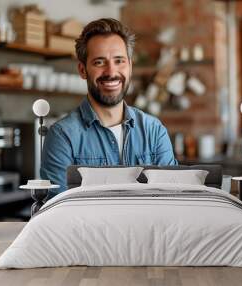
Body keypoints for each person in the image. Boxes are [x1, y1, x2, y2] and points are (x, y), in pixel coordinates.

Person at [41, 18, 178, 197]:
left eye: (119, 60)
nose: (111, 72)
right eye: (99, 62)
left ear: (130, 66)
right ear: (82, 70)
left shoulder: (154, 131)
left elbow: (172, 200)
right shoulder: (62, 137)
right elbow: (58, 213)